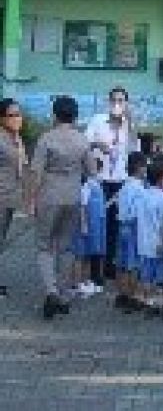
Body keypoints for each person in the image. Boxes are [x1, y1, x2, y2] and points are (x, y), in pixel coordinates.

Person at [29, 95, 93, 319]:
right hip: (73, 195)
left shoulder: (46, 138)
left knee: (44, 246)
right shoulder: (82, 140)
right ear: (75, 116)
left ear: (54, 115)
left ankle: (51, 290)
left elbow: (36, 172)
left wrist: (31, 199)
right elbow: (91, 170)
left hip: (49, 195)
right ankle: (64, 295)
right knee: (66, 247)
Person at [85, 87, 136, 287]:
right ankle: (95, 269)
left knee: (115, 225)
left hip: (120, 180)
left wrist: (131, 124)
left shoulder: (128, 125)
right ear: (109, 102)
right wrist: (98, 144)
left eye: (121, 100)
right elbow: (85, 142)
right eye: (114, 100)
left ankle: (110, 265)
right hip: (100, 179)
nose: (117, 104)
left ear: (126, 103)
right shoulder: (98, 120)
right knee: (97, 223)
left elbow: (134, 151)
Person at [0, 98, 26, 299]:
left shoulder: (15, 139)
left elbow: (21, 168)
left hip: (10, 198)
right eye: (12, 115)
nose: (17, 118)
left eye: (18, 114)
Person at [137, 156, 163, 315]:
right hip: (158, 242)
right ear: (162, 179)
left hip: (143, 241)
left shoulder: (142, 195)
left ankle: (148, 302)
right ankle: (159, 302)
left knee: (146, 276)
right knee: (160, 276)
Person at [114, 152, 146, 312]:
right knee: (133, 264)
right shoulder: (139, 188)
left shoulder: (125, 185)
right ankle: (132, 296)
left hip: (122, 226)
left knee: (121, 263)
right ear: (139, 168)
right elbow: (138, 211)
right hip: (133, 227)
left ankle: (121, 294)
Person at [72, 159, 106, 298]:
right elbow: (82, 206)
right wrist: (84, 224)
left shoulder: (95, 183)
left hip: (94, 224)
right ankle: (76, 283)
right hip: (85, 224)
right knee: (80, 255)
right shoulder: (85, 185)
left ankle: (86, 281)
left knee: (88, 254)